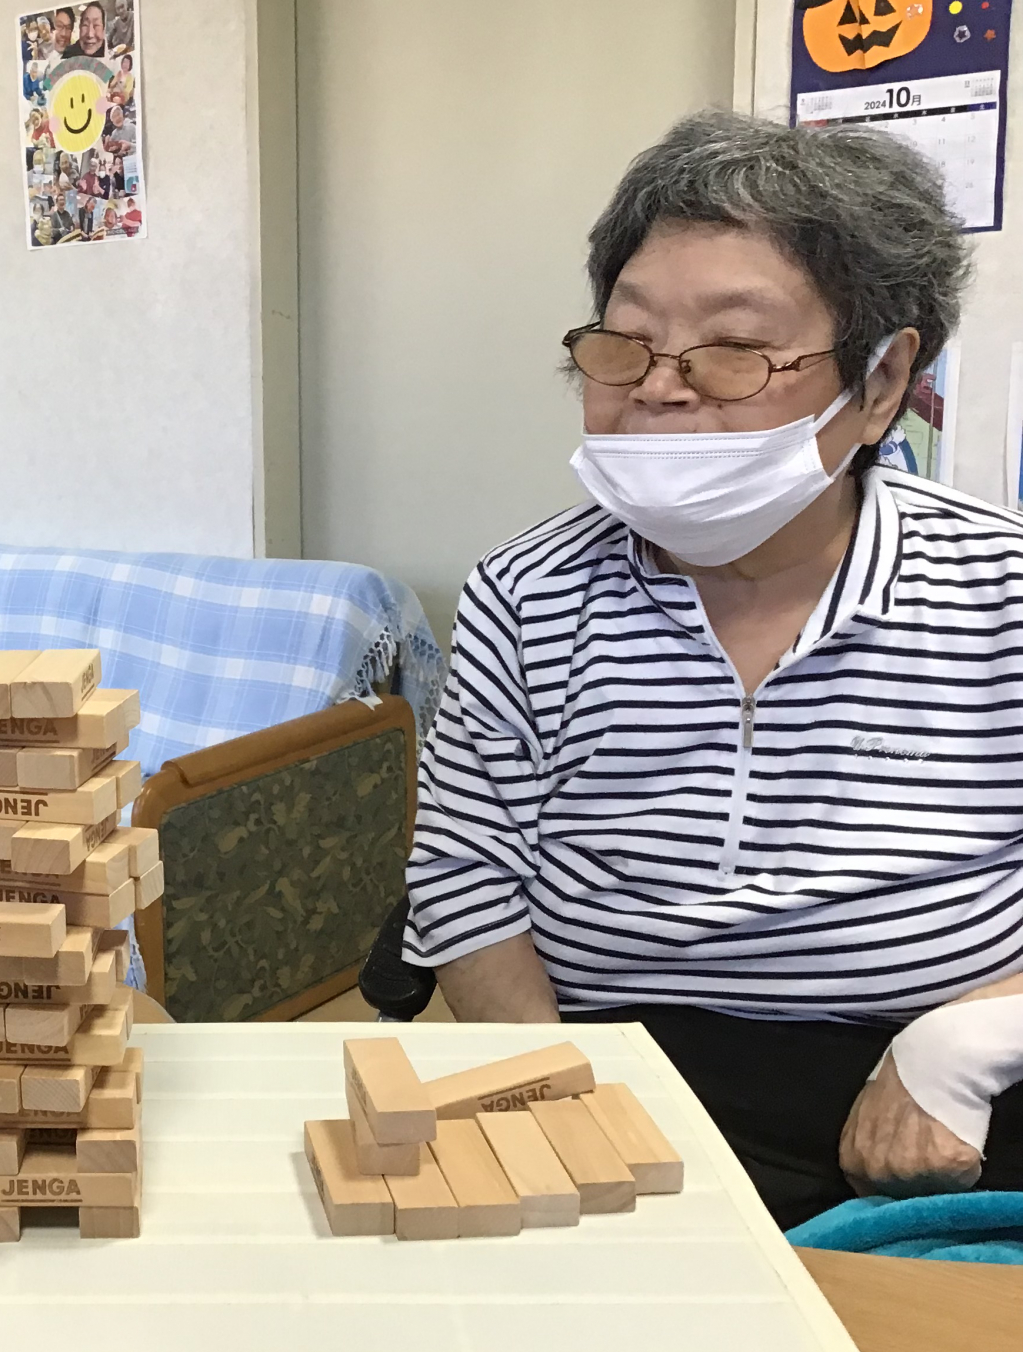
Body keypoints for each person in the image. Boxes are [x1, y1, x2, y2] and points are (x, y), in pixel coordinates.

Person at [404, 111, 1023, 1228]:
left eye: (735, 349)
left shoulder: (1002, 591)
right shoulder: (526, 591)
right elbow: (465, 873)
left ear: (882, 381)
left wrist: (969, 1044)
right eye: (625, 341)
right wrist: (548, 1094)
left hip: (937, 1105)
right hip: (609, 1077)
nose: (659, 387)